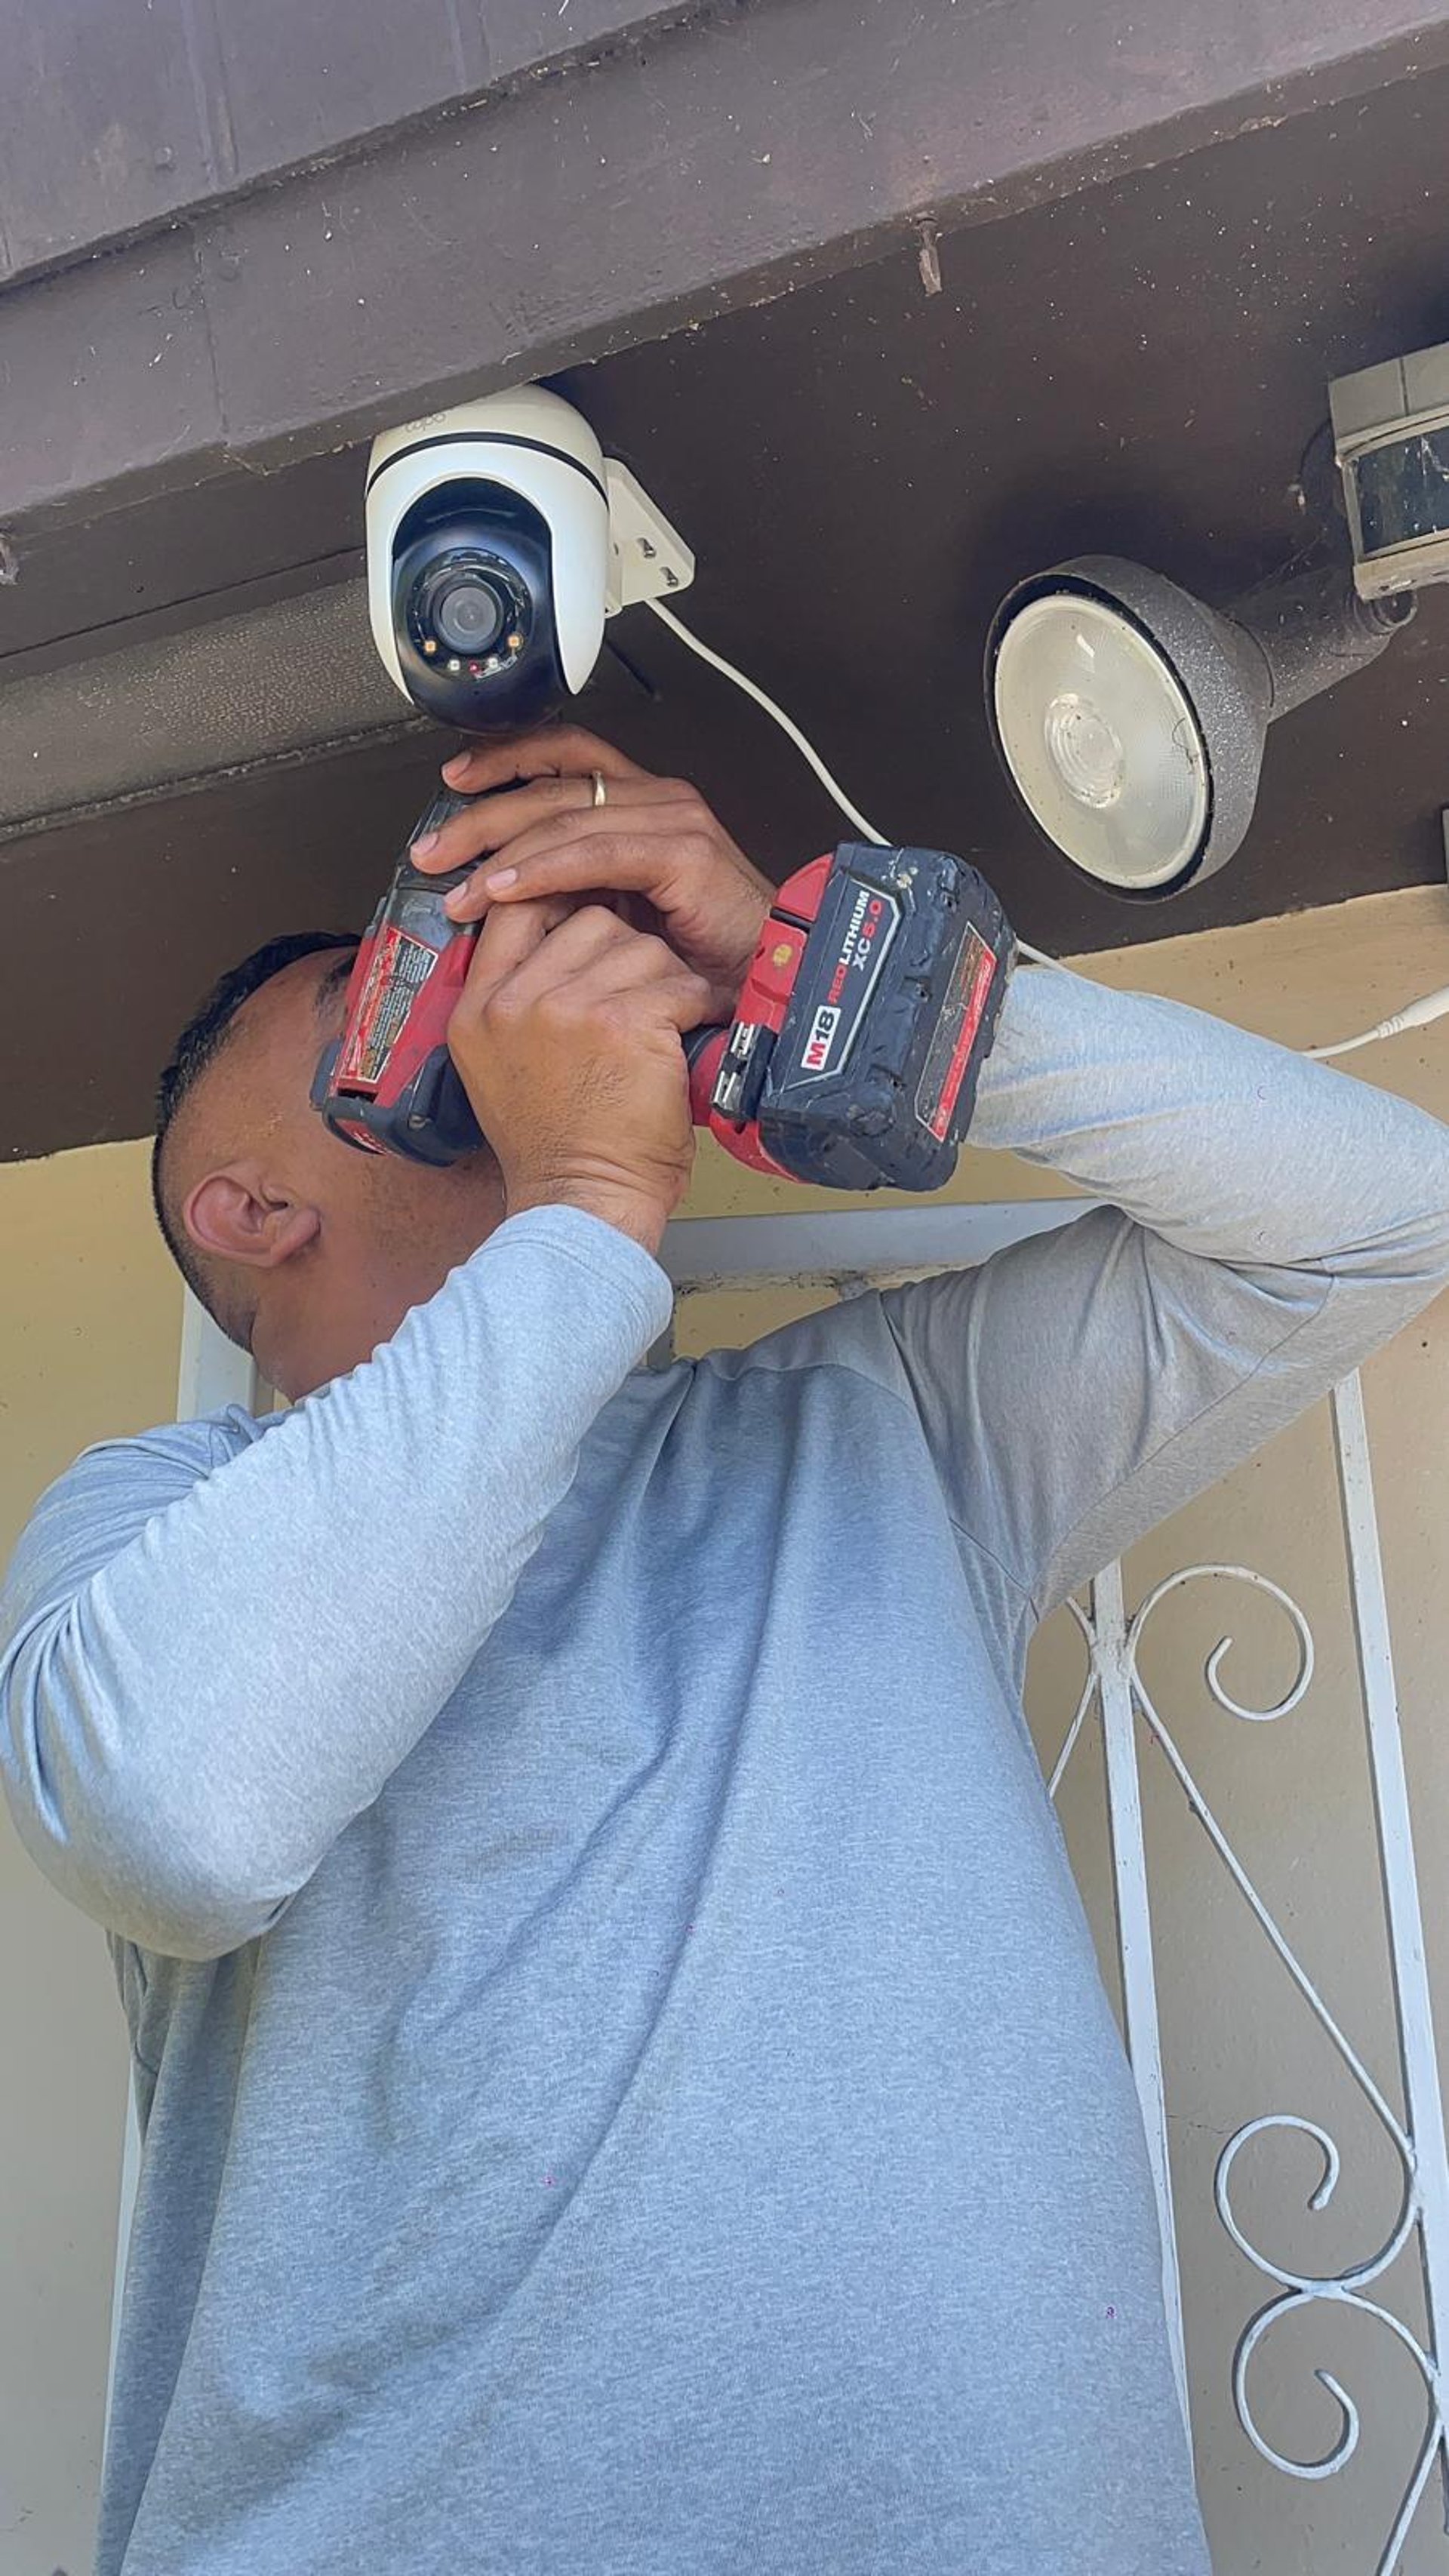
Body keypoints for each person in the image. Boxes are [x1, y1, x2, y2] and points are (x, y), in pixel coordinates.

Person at [4, 725, 1448, 2576]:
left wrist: (846, 972)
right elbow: (180, 1815)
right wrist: (585, 1209)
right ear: (253, 1207)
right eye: (400, 987)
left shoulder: (882, 1428)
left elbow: (1376, 1223)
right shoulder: (156, 1517)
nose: (493, 984)